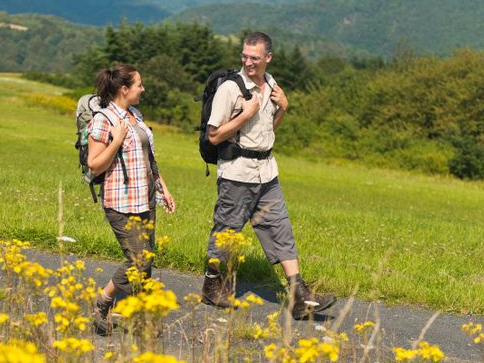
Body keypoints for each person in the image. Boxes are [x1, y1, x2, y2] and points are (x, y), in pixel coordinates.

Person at [201, 32, 336, 319]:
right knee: (227, 232)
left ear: (268, 58)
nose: (248, 62)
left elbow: (268, 129)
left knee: (281, 229)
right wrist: (245, 113)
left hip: (267, 172)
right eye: (244, 56)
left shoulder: (271, 84)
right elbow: (214, 135)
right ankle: (212, 286)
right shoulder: (230, 89)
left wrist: (284, 108)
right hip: (237, 173)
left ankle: (298, 296)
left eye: (254, 57)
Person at [87, 64, 176, 334]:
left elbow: (149, 159)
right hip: (121, 202)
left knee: (146, 261)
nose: (143, 89)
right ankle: (104, 301)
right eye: (139, 85)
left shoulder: (136, 114)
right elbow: (94, 165)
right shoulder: (104, 119)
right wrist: (116, 141)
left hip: (146, 198)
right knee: (137, 259)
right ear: (124, 89)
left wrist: (163, 188)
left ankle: (139, 317)